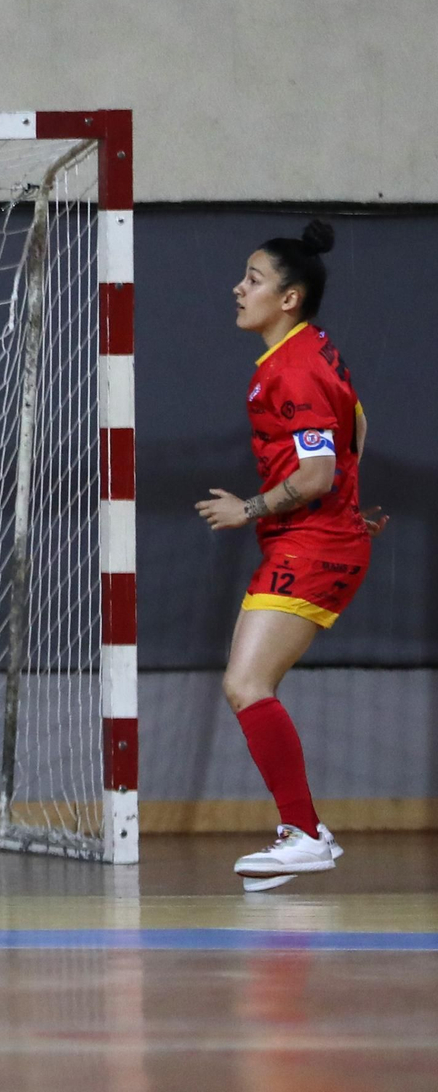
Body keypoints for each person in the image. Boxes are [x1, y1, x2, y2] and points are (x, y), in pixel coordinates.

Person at [195, 220, 388, 892]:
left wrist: (243, 509)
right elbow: (357, 424)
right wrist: (350, 504)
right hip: (322, 538)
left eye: (253, 279)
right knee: (248, 685)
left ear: (289, 299)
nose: (237, 288)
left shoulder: (293, 367)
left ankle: (303, 834)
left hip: (312, 546)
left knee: (246, 685)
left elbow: (313, 476)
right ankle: (305, 830)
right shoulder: (313, 352)